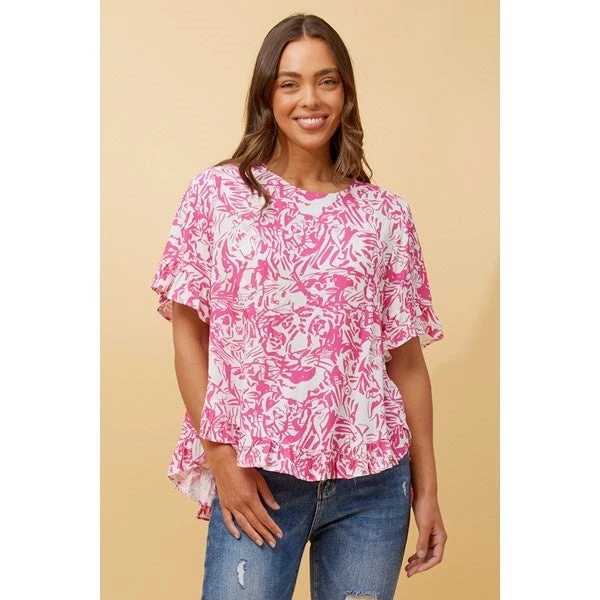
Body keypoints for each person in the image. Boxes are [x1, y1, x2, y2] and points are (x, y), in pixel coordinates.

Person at [151, 13, 447, 600]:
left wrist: (428, 492)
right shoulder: (218, 196)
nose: (309, 99)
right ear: (268, 95)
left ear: (346, 93)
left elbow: (407, 364)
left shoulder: (385, 214)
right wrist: (222, 459)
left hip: (373, 486)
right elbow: (188, 338)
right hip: (258, 476)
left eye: (326, 81)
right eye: (290, 83)